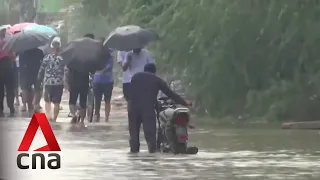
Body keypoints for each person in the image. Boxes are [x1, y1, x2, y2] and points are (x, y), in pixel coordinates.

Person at [128, 63, 192, 153]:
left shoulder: (135, 77)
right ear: (154, 71)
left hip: (133, 109)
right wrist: (185, 102)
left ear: (144, 70)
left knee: (134, 135)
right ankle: (152, 157)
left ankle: (134, 155)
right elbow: (170, 94)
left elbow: (128, 92)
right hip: (148, 109)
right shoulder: (157, 80)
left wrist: (130, 105)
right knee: (150, 137)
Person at [66, 33, 94, 124]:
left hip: (74, 80)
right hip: (84, 81)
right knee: (83, 102)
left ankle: (74, 115)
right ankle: (82, 121)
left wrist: (67, 81)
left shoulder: (73, 54)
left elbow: (69, 68)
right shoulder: (89, 56)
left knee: (72, 101)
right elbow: (92, 70)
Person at [37, 37, 65, 122]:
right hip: (59, 83)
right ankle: (55, 119)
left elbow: (41, 70)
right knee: (57, 102)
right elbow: (66, 70)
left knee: (47, 100)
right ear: (60, 48)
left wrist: (39, 80)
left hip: (48, 82)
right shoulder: (62, 59)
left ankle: (48, 116)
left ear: (52, 47)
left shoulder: (47, 58)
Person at [93, 37, 114, 122]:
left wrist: (100, 71)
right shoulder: (95, 55)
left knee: (107, 100)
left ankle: (106, 118)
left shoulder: (109, 54)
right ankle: (97, 116)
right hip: (97, 80)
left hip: (107, 81)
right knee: (97, 100)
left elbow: (109, 67)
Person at [19, 47, 44, 116]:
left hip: (26, 72)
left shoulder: (23, 52)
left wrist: (21, 73)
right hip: (37, 71)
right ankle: (36, 104)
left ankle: (24, 105)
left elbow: (20, 64)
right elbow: (43, 62)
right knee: (38, 89)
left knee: (25, 89)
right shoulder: (39, 51)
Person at [0, 27, 16, 116]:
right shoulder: (9, 39)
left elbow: (13, 55)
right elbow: (13, 55)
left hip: (6, 64)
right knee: (8, 87)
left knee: (6, 87)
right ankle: (9, 106)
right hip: (7, 64)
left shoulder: (9, 39)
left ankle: (7, 106)